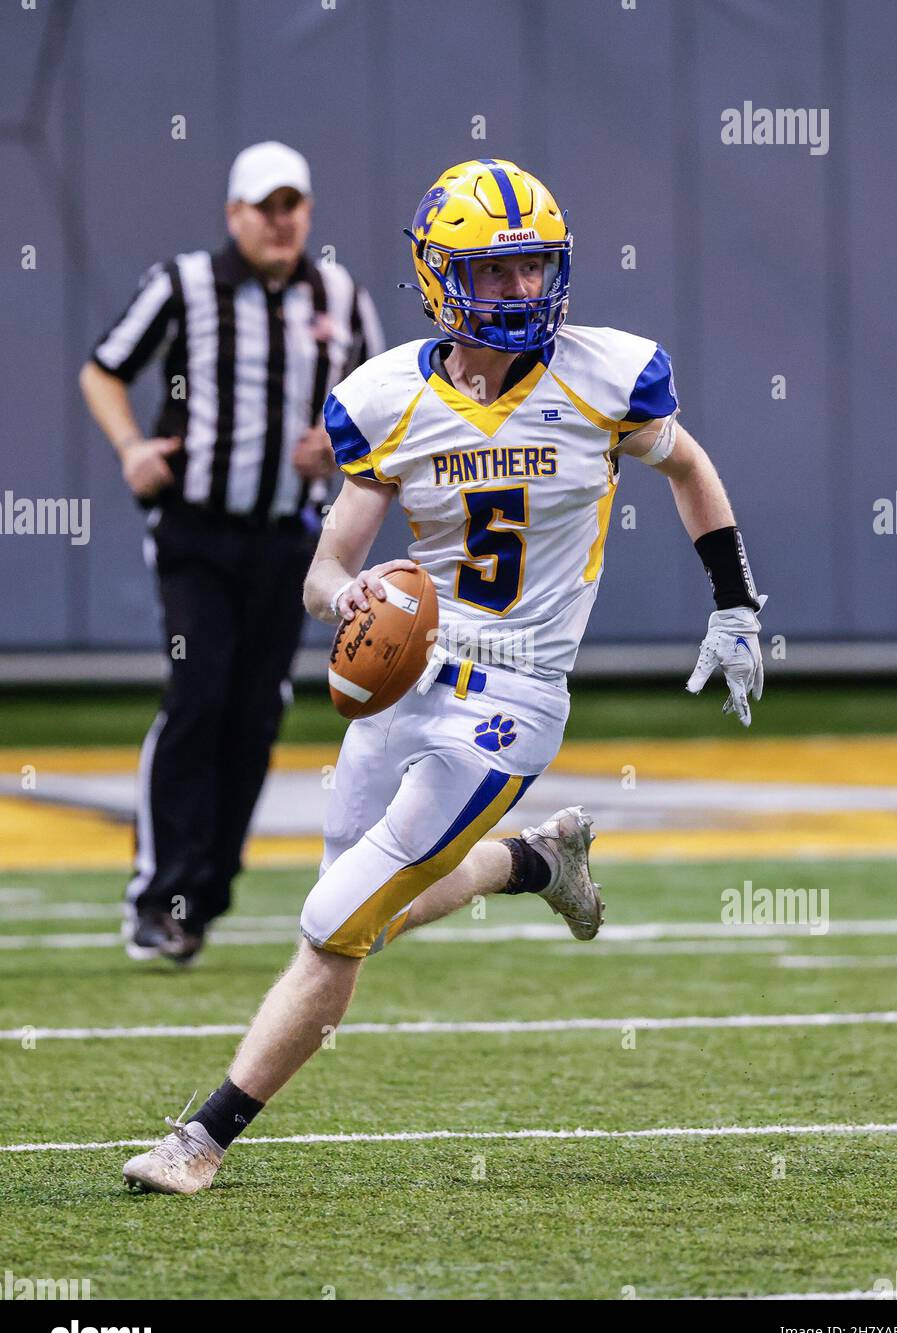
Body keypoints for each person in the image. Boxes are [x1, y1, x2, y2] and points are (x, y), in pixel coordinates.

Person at [121, 158, 765, 1194]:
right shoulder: (384, 396)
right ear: (439, 276)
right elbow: (327, 568)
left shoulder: (606, 375)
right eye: (494, 271)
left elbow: (687, 465)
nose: (520, 290)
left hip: (515, 698)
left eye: (533, 268)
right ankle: (536, 865)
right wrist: (353, 600)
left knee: (337, 920)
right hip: (412, 674)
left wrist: (733, 599)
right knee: (364, 911)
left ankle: (201, 1140)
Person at [79, 141, 384, 964]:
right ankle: (159, 892)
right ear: (234, 215)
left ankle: (203, 895)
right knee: (200, 693)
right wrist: (131, 449)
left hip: (291, 538)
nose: (282, 221)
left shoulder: (343, 297)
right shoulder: (183, 285)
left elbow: (377, 412)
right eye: (266, 206)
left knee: (255, 714)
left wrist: (339, 450)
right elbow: (103, 371)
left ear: (307, 213)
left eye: (295, 205)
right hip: (197, 531)